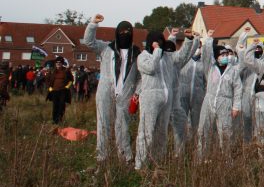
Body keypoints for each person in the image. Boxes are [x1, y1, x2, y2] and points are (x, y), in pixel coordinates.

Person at [135, 29, 197, 169]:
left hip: (166, 99)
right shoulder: (142, 57)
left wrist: (188, 40)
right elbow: (151, 68)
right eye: (157, 42)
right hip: (150, 98)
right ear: (150, 43)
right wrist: (156, 52)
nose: (160, 45)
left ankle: (158, 161)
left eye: (161, 42)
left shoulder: (168, 56)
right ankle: (140, 165)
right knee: (146, 132)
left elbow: (182, 57)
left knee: (161, 133)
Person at [84, 14, 141, 163]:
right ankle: (102, 158)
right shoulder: (106, 48)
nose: (124, 35)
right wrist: (92, 24)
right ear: (117, 33)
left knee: (123, 127)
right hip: (105, 93)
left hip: (126, 94)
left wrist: (137, 93)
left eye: (128, 32)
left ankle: (125, 158)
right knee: (103, 125)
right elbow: (89, 42)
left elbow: (141, 77)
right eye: (122, 32)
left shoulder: (136, 53)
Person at [196, 31, 243, 156]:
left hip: (226, 102)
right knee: (203, 130)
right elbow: (206, 55)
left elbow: (238, 89)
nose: (226, 56)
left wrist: (236, 106)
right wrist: (209, 39)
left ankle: (226, 160)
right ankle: (201, 158)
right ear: (216, 57)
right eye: (222, 54)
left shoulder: (232, 70)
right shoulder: (210, 68)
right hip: (209, 101)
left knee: (226, 132)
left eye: (226, 54)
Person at [179, 42, 206, 138]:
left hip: (197, 97)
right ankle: (180, 149)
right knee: (181, 122)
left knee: (197, 123)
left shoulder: (203, 63)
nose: (197, 49)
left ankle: (195, 146)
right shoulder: (184, 61)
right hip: (183, 96)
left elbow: (205, 81)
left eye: (199, 47)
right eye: (196, 47)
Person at [46, 56, 74, 124]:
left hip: (63, 91)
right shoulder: (52, 70)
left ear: (62, 63)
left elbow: (71, 80)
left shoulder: (66, 71)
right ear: (55, 63)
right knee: (55, 105)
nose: (58, 64)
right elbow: (47, 80)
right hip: (54, 91)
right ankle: (54, 120)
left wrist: (67, 86)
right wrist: (49, 87)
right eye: (57, 62)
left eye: (59, 62)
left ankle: (60, 119)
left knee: (62, 105)